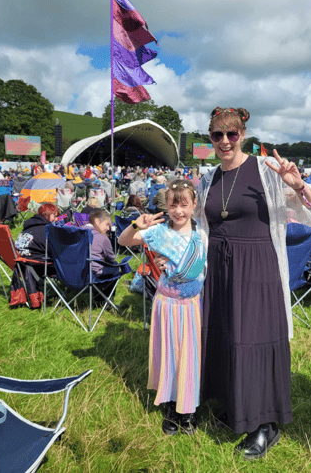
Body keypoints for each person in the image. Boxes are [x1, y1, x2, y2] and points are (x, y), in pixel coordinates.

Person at [194, 107, 311, 461]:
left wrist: (298, 185)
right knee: (224, 336)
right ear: (210, 138)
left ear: (243, 135)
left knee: (253, 340)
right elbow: (199, 226)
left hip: (256, 268)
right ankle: (234, 405)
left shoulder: (266, 171)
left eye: (231, 134)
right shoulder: (208, 178)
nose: (224, 141)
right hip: (219, 270)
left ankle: (265, 424)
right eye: (217, 135)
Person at [117, 179, 207, 436]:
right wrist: (136, 224)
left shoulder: (202, 233)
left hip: (192, 306)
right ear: (166, 206)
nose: (179, 211)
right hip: (166, 305)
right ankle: (170, 406)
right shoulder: (159, 232)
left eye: (184, 205)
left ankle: (187, 411)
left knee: (190, 358)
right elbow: (124, 242)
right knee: (169, 355)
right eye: (173, 205)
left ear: (194, 205)